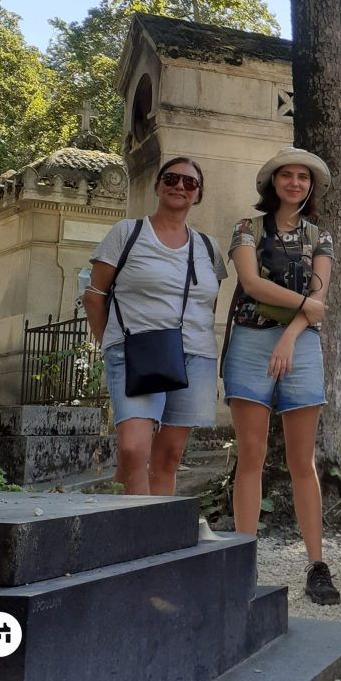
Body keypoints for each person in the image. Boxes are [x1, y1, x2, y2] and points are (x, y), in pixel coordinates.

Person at [221, 146, 341, 606]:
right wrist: (306, 310)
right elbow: (251, 284)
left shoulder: (320, 236)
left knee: (302, 461)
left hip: (301, 343)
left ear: (311, 186)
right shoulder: (246, 229)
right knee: (250, 455)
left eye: (302, 177)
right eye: (286, 175)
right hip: (251, 342)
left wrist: (292, 336)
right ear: (272, 183)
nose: (295, 183)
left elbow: (319, 294)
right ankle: (243, 558)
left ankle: (317, 563)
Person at [84, 157, 226, 495]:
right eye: (172, 178)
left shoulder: (209, 248)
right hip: (139, 350)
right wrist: (113, 345)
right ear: (158, 185)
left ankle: (155, 534)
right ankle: (133, 537)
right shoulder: (127, 233)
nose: (180, 186)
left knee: (170, 456)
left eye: (189, 183)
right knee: (134, 450)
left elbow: (208, 304)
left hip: (195, 356)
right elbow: (94, 297)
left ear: (198, 194)